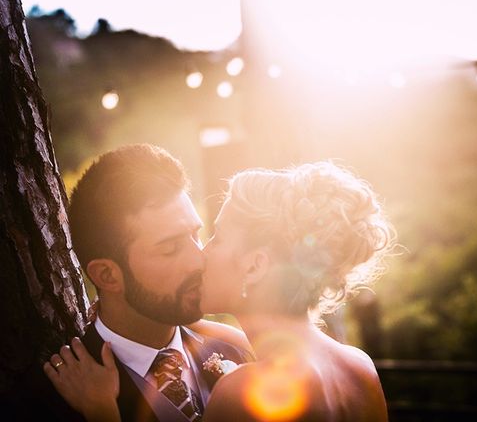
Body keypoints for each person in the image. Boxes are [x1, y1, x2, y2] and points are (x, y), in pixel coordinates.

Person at [46, 161, 395, 421]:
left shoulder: (242, 393)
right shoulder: (357, 366)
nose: (202, 255)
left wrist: (104, 415)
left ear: (255, 266)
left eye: (216, 237)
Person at [41, 144, 255, 422]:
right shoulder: (51, 402)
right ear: (107, 275)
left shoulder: (237, 355)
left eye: (195, 236)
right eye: (169, 248)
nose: (198, 261)